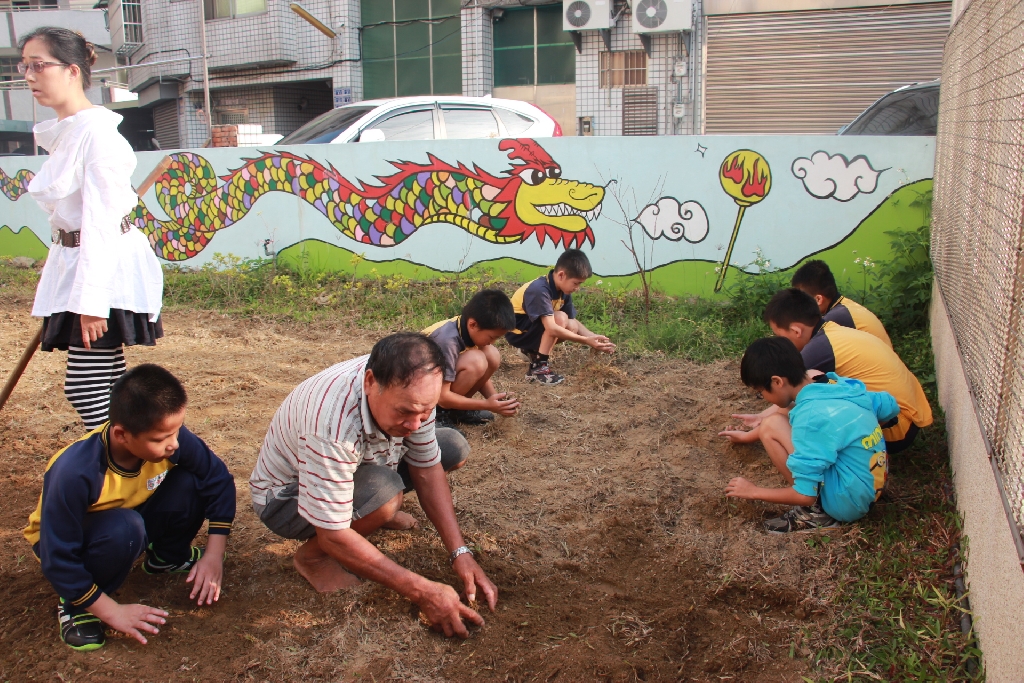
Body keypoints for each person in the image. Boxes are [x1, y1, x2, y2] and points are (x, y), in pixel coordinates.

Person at [249, 333, 497, 639]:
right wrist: (423, 592)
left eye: (426, 411)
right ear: (370, 383)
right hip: (285, 498)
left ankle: (372, 507)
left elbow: (427, 467)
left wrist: (460, 552)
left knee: (451, 447)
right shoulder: (332, 424)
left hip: (359, 466)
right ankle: (313, 558)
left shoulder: (413, 390)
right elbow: (334, 534)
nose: (415, 424)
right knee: (385, 492)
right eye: (405, 412)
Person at [23, 365, 236, 651]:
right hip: (67, 541)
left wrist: (214, 555)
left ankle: (167, 557)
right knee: (125, 528)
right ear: (122, 435)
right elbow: (57, 555)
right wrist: (112, 611)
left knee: (192, 480)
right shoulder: (75, 472)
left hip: (129, 517)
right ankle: (78, 607)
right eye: (161, 439)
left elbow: (217, 479)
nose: (174, 444)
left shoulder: (169, 440)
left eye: (176, 431)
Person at [22, 27, 163, 430]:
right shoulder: (70, 133)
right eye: (25, 66)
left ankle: (123, 465)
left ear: (70, 70)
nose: (29, 76)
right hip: (78, 266)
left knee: (86, 387)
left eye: (39, 65)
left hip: (104, 271)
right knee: (109, 383)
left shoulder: (98, 136)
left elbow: (100, 223)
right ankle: (134, 467)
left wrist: (91, 302)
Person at [721, 289, 931, 456]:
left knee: (807, 418)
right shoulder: (831, 331)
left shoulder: (817, 351)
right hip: (907, 415)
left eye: (778, 334)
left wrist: (753, 434)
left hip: (897, 429)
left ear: (795, 331)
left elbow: (792, 396)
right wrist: (760, 416)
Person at [723, 337, 899, 533]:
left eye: (760, 392)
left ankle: (816, 514)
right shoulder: (837, 384)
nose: (763, 397)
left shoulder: (810, 417)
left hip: (847, 504)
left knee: (770, 425)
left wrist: (753, 491)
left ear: (777, 381)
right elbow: (889, 405)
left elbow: (805, 495)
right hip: (873, 483)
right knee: (775, 421)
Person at [504, 249, 615, 385]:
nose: (577, 288)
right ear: (561, 275)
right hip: (516, 333)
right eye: (576, 283)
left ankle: (530, 351)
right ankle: (538, 368)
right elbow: (551, 328)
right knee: (560, 319)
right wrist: (586, 340)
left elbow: (572, 321)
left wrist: (594, 337)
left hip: (530, 329)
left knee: (571, 325)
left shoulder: (562, 290)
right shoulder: (539, 290)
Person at [422, 289, 521, 426]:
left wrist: (496, 401)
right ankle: (438, 415)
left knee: (491, 354)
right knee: (477, 360)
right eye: (492, 337)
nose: (493, 342)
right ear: (473, 324)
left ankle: (457, 411)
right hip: (420, 393)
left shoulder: (466, 329)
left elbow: (481, 376)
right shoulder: (446, 341)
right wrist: (486, 404)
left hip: (437, 386)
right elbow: (443, 397)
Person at [791, 259, 891, 347]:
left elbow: (811, 352)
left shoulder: (836, 318)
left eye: (802, 300)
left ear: (818, 299)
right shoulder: (845, 306)